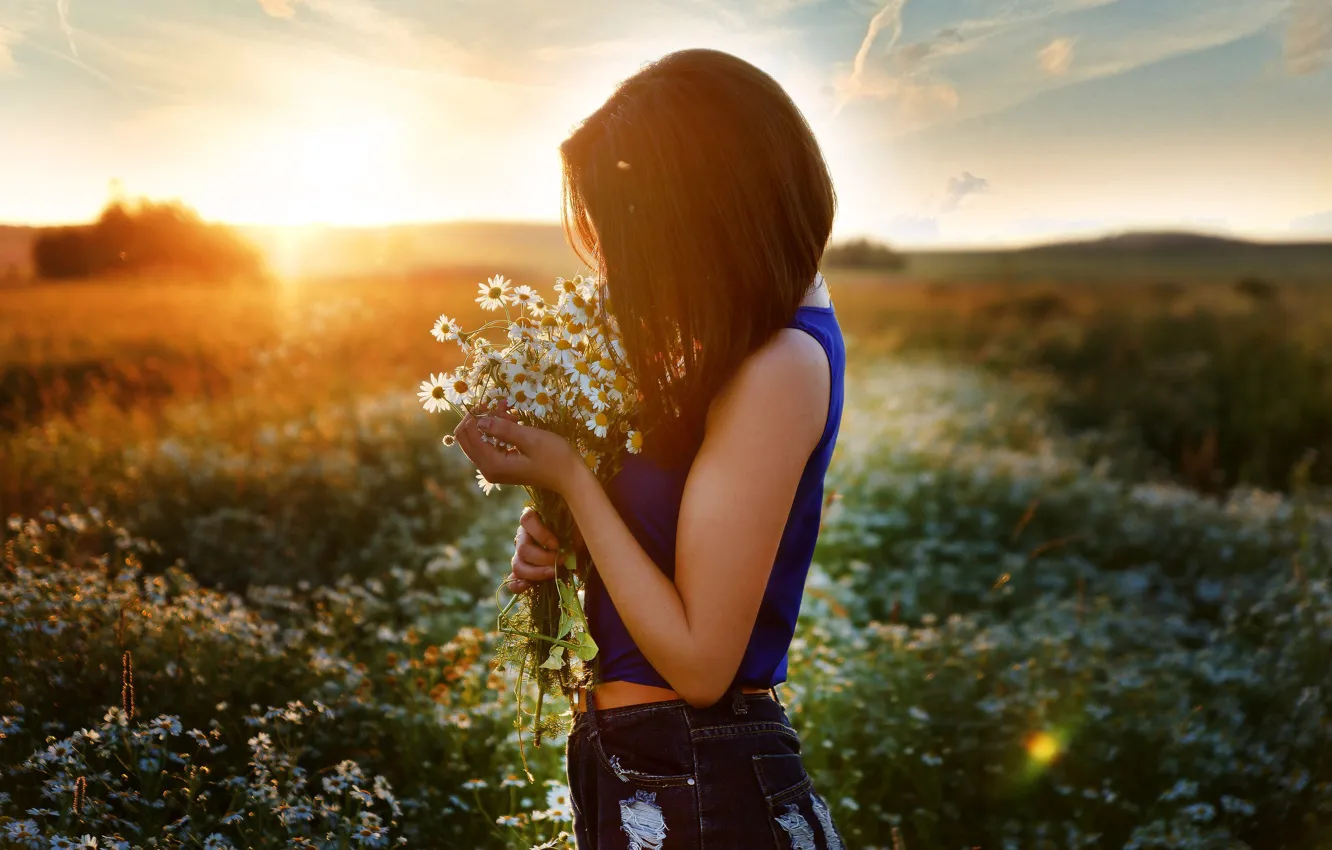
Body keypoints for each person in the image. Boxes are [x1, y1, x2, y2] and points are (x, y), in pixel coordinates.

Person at [452, 47, 847, 850]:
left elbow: (701, 664)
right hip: (657, 772)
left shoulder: (780, 364)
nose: (618, 266)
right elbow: (675, 568)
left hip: (701, 779)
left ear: (706, 211)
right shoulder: (738, 353)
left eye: (633, 228)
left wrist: (571, 477)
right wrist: (565, 538)